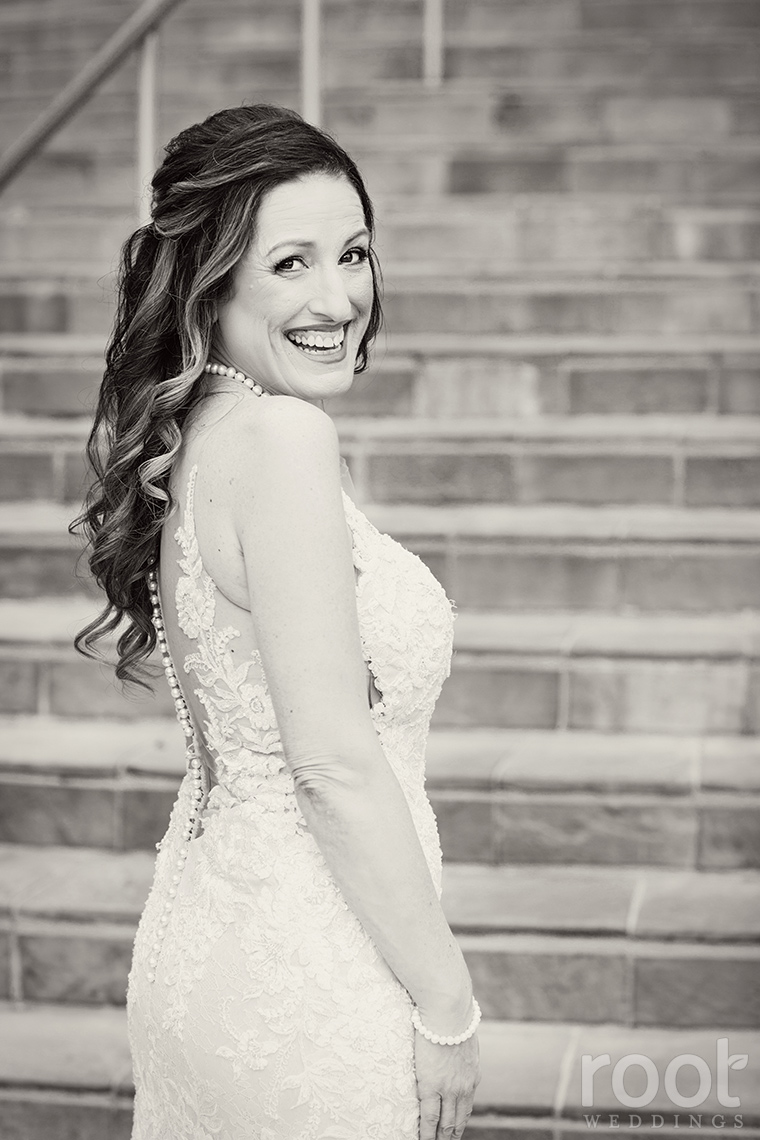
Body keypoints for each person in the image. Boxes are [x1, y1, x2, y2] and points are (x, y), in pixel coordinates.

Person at [72, 103, 481, 1139]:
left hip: (208, 939)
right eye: (289, 264)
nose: (338, 297)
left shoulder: (200, 433)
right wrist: (446, 1005)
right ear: (211, 279)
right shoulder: (284, 439)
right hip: (311, 967)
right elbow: (333, 766)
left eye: (351, 254)